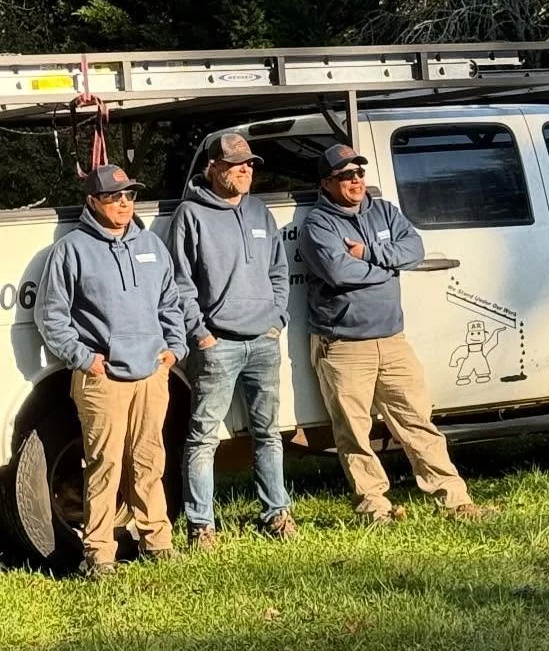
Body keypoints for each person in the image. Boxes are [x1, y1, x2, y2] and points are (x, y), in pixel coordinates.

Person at [300, 143, 489, 524]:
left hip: (392, 339)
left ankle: (454, 499)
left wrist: (369, 253)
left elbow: (414, 249)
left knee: (417, 420)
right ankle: (374, 507)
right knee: (354, 432)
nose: (355, 181)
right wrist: (388, 265)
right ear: (326, 183)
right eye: (345, 176)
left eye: (359, 173)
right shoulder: (318, 225)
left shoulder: (383, 209)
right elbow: (339, 273)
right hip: (343, 344)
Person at [37, 164, 188, 579]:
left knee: (148, 460)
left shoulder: (151, 245)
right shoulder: (71, 250)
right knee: (104, 466)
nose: (124, 203)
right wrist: (86, 359)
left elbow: (170, 301)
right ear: (92, 202)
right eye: (113, 197)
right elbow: (52, 316)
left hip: (151, 374)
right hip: (102, 379)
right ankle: (99, 555)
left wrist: (174, 348)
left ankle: (157, 541)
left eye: (129, 195)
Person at [169, 132, 295, 548]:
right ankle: (201, 526)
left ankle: (276, 513)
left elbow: (280, 271)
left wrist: (276, 318)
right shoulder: (191, 214)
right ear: (213, 168)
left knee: (268, 433)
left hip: (263, 340)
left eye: (250, 164)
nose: (245, 170)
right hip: (217, 344)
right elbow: (181, 283)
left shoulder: (261, 213)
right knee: (204, 437)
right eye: (236, 163)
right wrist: (200, 334)